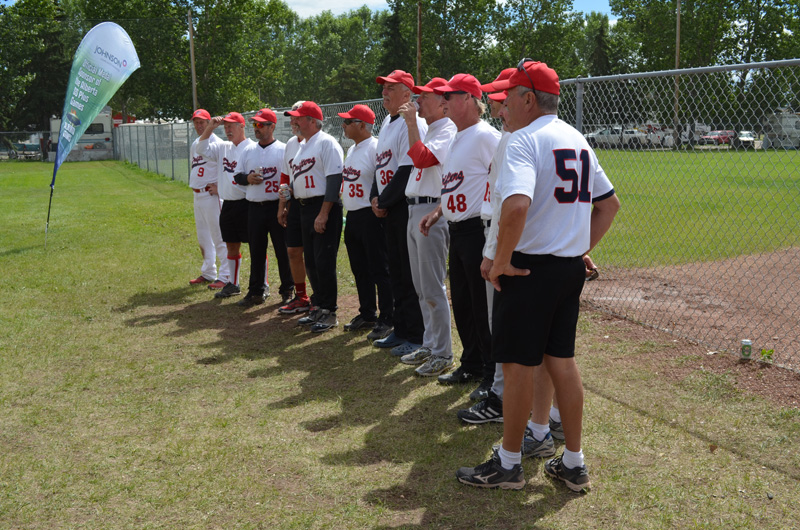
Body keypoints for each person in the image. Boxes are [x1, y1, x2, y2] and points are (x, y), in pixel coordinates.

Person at [456, 60, 620, 493]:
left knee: (516, 366)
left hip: (530, 268)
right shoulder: (576, 137)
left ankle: (509, 464)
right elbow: (609, 205)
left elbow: (515, 207)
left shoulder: (524, 140)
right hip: (567, 269)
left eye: (509, 96)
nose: (504, 104)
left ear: (529, 99)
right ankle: (573, 462)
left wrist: (502, 260)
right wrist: (577, 247)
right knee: (560, 361)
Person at [417, 74, 500, 389]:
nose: (443, 101)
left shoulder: (485, 136)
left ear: (468, 99)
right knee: (464, 303)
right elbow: (455, 185)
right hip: (457, 230)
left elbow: (498, 185)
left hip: (479, 229)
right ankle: (472, 363)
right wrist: (438, 211)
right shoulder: (456, 136)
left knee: (482, 307)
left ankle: (492, 378)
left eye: (449, 96)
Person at [394, 77, 457, 376]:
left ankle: (443, 352)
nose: (418, 101)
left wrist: (409, 123)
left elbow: (421, 159)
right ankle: (430, 344)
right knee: (421, 288)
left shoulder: (447, 129)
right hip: (414, 207)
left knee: (432, 287)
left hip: (433, 209)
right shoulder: (432, 129)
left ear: (443, 102)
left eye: (424, 96)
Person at [371, 70, 428, 355]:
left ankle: (416, 335)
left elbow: (408, 170)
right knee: (395, 271)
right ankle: (401, 328)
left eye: (390, 88)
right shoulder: (386, 123)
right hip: (389, 207)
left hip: (403, 206)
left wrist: (384, 201)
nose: (384, 93)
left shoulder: (412, 123)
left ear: (407, 94)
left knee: (408, 273)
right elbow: (380, 167)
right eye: (383, 88)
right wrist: (375, 196)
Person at [286, 101, 344, 333]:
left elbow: (334, 179)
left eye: (298, 118)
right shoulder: (303, 145)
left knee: (324, 262)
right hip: (304, 208)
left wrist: (323, 213)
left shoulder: (326, 143)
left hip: (323, 205)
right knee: (311, 261)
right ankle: (318, 305)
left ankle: (329, 312)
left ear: (312, 120)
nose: (294, 121)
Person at [337, 104, 393, 335]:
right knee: (359, 268)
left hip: (370, 216)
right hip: (352, 216)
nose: (344, 125)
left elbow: (381, 179)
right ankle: (367, 312)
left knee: (379, 268)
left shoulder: (375, 146)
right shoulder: (352, 149)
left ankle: (388, 317)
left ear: (362, 125)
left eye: (349, 122)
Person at [234, 108, 293, 307]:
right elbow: (237, 176)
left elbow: (290, 179)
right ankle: (256, 291)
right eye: (254, 124)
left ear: (272, 126)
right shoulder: (248, 150)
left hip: (276, 206)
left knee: (282, 250)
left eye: (261, 124)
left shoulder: (284, 149)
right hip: (254, 207)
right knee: (256, 251)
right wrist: (247, 178)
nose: (256, 128)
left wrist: (286, 207)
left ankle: (288, 290)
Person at [197, 112, 255, 299]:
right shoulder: (223, 147)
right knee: (231, 245)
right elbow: (201, 147)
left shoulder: (252, 147)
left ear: (242, 126)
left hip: (248, 203)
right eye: (226, 126)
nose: (228, 130)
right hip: (228, 203)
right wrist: (210, 127)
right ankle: (234, 283)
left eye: (232, 126)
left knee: (256, 245)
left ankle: (262, 283)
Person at [187, 108, 229, 288]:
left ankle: (226, 275)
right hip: (197, 194)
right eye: (196, 122)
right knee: (203, 237)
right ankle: (209, 272)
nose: (198, 125)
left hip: (212, 196)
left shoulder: (218, 143)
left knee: (219, 237)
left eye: (202, 122)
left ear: (210, 122)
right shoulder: (196, 143)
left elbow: (226, 168)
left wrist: (221, 186)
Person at [278, 101, 313, 311]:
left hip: (312, 203)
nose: (292, 121)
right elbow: (285, 176)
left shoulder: (319, 142)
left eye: (296, 117)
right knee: (292, 250)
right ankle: (301, 296)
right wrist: (282, 206)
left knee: (312, 254)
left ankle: (319, 297)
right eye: (291, 117)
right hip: (294, 203)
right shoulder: (291, 143)